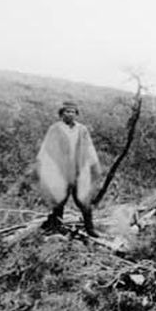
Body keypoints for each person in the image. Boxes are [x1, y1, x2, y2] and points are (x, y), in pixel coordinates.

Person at [37, 101, 102, 237]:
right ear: (61, 113)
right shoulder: (55, 129)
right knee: (59, 199)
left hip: (79, 170)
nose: (70, 114)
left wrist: (94, 165)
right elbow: (47, 148)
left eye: (73, 111)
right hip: (62, 171)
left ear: (76, 114)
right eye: (67, 111)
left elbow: (89, 148)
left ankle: (90, 229)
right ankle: (56, 227)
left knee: (83, 200)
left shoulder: (82, 129)